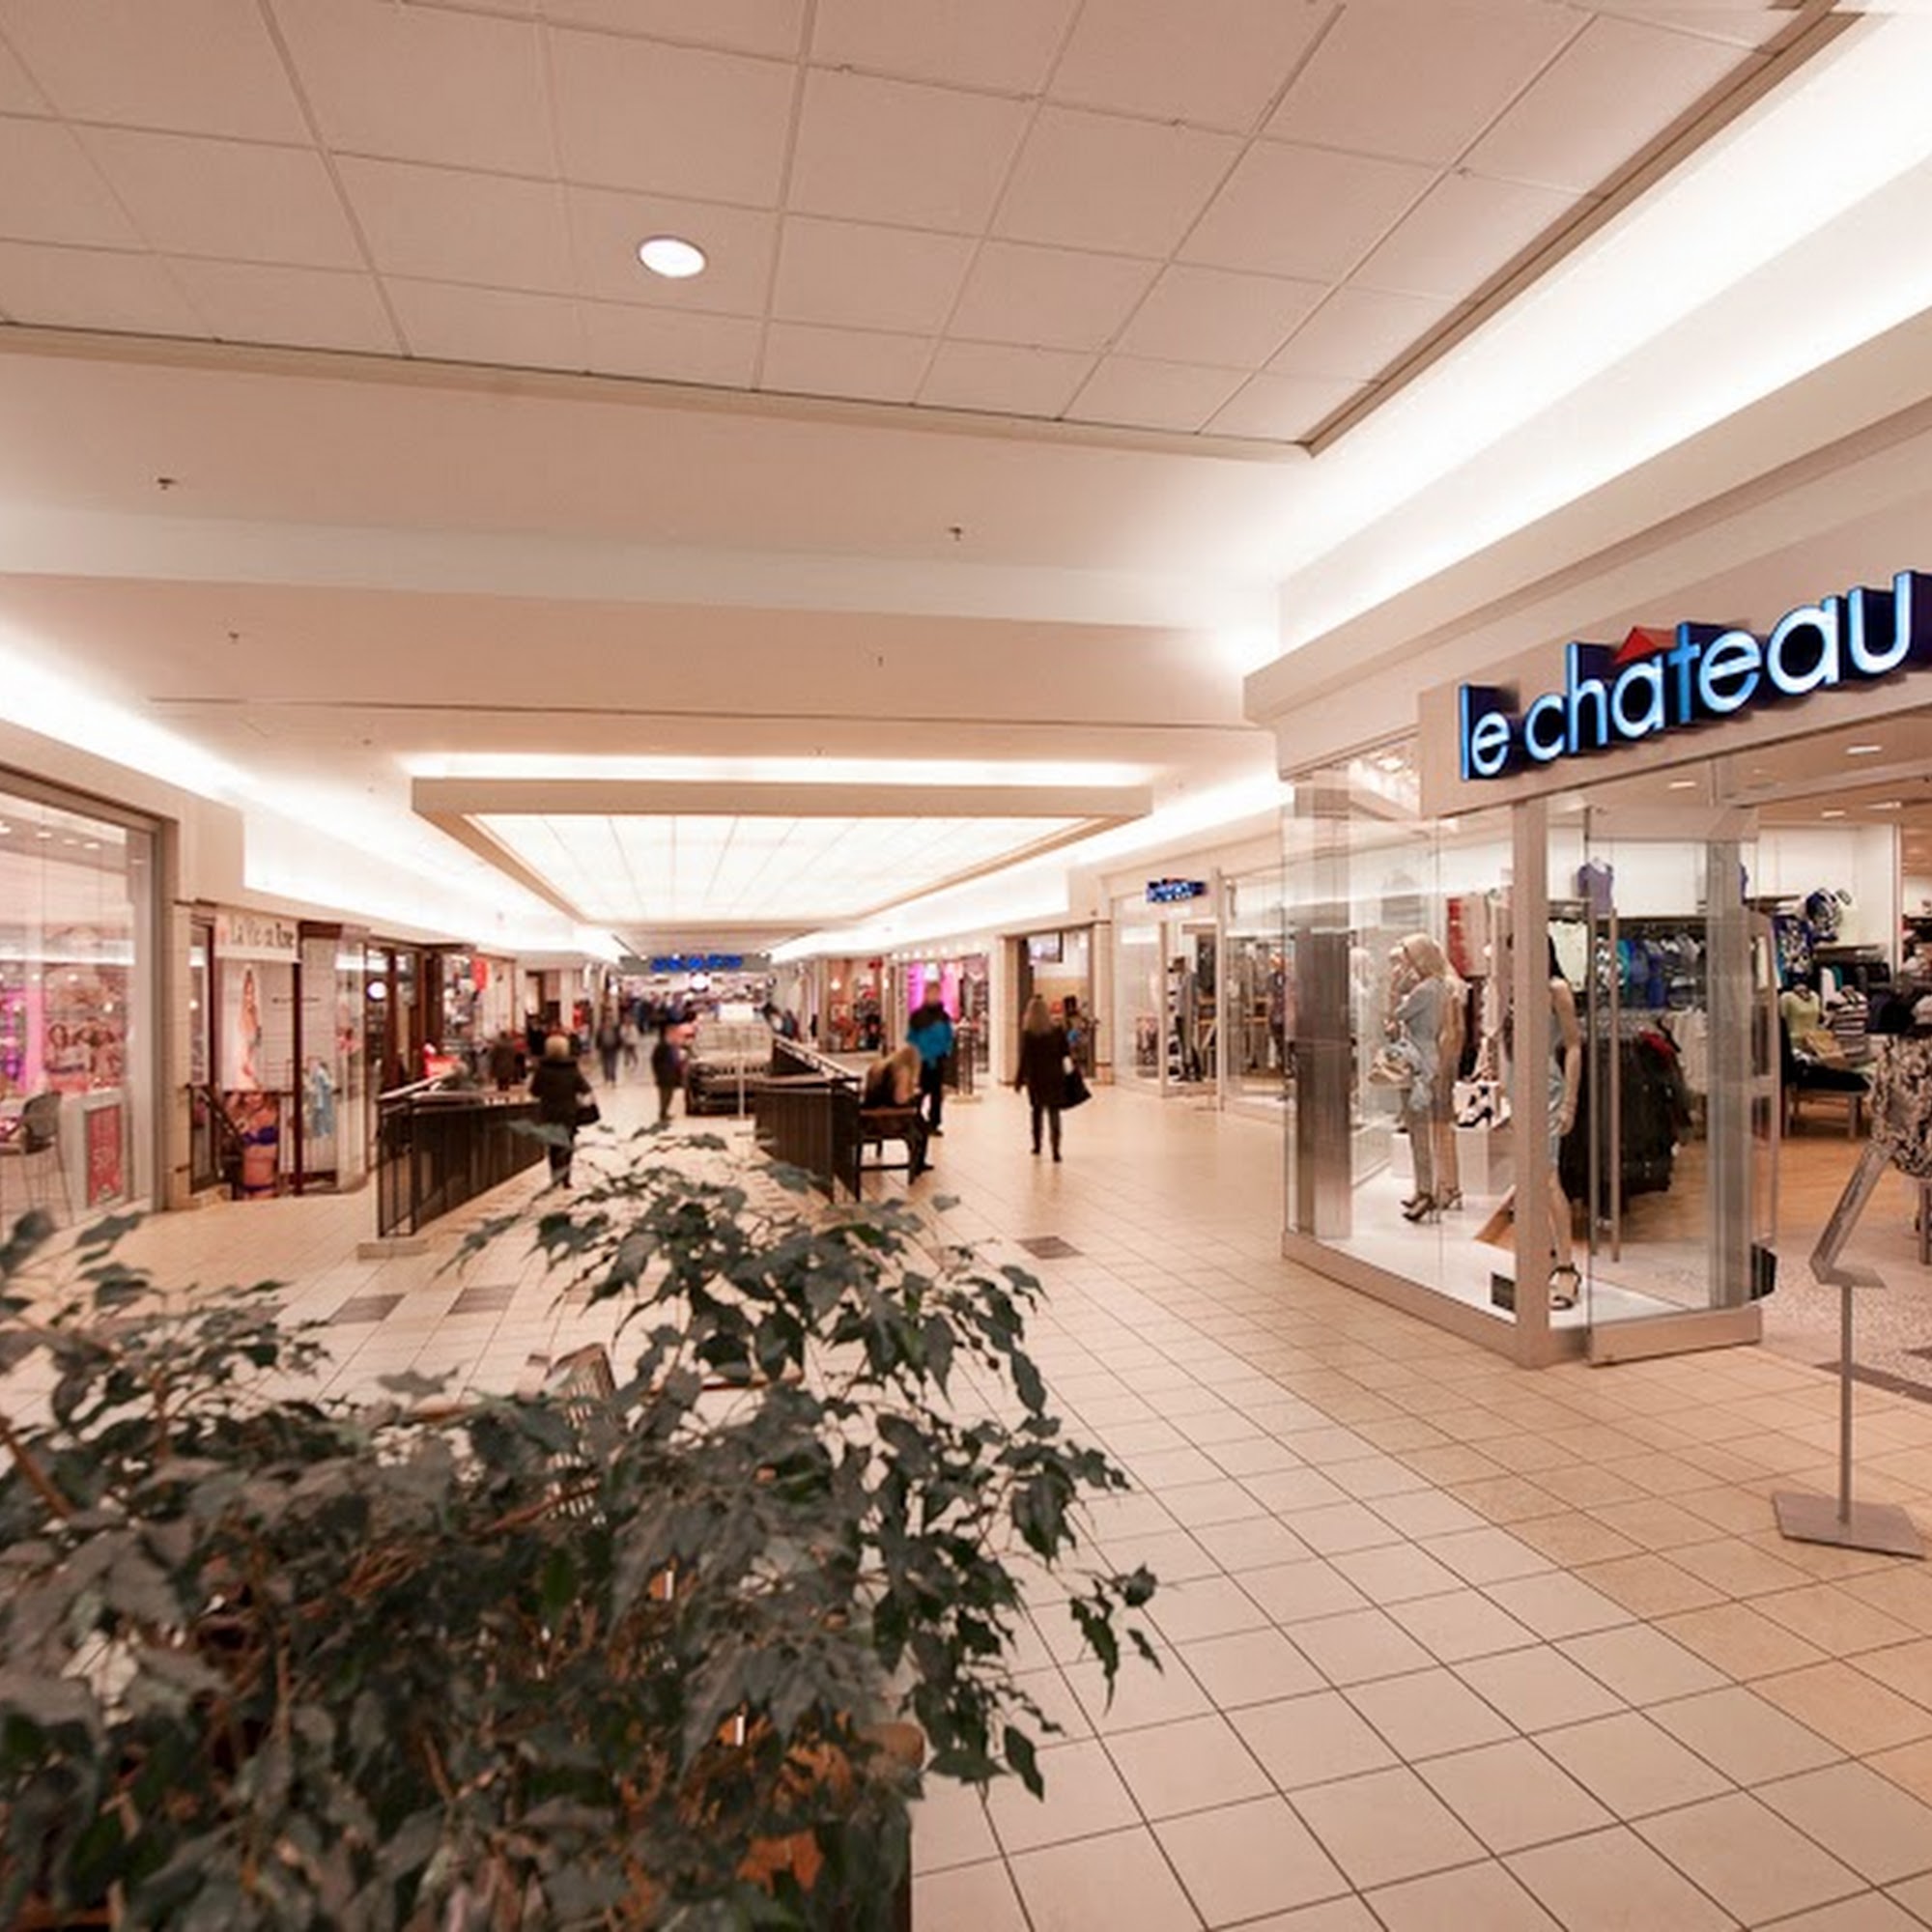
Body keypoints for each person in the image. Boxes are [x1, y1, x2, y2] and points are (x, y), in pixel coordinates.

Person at [528, 1033, 592, 1188]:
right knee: (567, 1144)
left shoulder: (542, 1069)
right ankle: (566, 1178)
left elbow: (534, 1091)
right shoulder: (571, 1068)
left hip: (549, 1112)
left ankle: (555, 1176)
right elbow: (585, 1088)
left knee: (553, 1146)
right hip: (568, 1112)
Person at [1014, 994, 1069, 1161]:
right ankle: (1056, 1150)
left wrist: (1019, 1079)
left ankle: (1037, 1145)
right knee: (1054, 1112)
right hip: (1055, 1077)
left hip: (1036, 1079)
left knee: (1036, 1111)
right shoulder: (1057, 1031)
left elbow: (1025, 1058)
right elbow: (1065, 1053)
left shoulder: (1029, 1034)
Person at [862, 1042, 928, 1178]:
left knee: (919, 1120)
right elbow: (900, 1099)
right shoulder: (902, 1071)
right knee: (921, 1125)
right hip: (888, 1120)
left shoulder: (880, 1066)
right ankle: (918, 1164)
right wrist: (915, 1094)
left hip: (868, 1118)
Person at [905, 995, 955, 1138]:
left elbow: (948, 1037)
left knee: (935, 1094)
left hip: (936, 1061)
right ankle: (918, 1119)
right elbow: (912, 1037)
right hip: (924, 1061)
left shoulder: (943, 1017)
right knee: (922, 1092)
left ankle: (932, 1122)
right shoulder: (919, 1017)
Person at [650, 1022, 686, 1127]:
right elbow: (655, 1060)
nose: (676, 1035)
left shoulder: (672, 1046)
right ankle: (662, 1113)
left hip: (671, 1074)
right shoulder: (662, 1046)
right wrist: (658, 1073)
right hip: (664, 1075)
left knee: (669, 1094)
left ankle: (665, 1112)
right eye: (674, 1033)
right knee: (664, 1095)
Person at [486, 1029, 521, 1093]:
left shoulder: (497, 1043)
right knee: (507, 1076)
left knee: (500, 1077)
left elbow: (494, 1053)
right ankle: (507, 1086)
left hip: (499, 1062)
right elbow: (514, 1052)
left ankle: (500, 1087)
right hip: (509, 1062)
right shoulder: (511, 1043)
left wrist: (491, 1057)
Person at [594, 1010, 622, 1085]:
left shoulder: (615, 1028)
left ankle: (613, 1078)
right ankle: (606, 1078)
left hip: (613, 1047)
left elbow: (619, 1037)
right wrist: (597, 1047)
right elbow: (598, 1038)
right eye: (607, 1019)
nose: (608, 1021)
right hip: (604, 1048)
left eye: (610, 1019)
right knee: (605, 1064)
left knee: (613, 1063)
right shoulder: (601, 1029)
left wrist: (619, 1045)